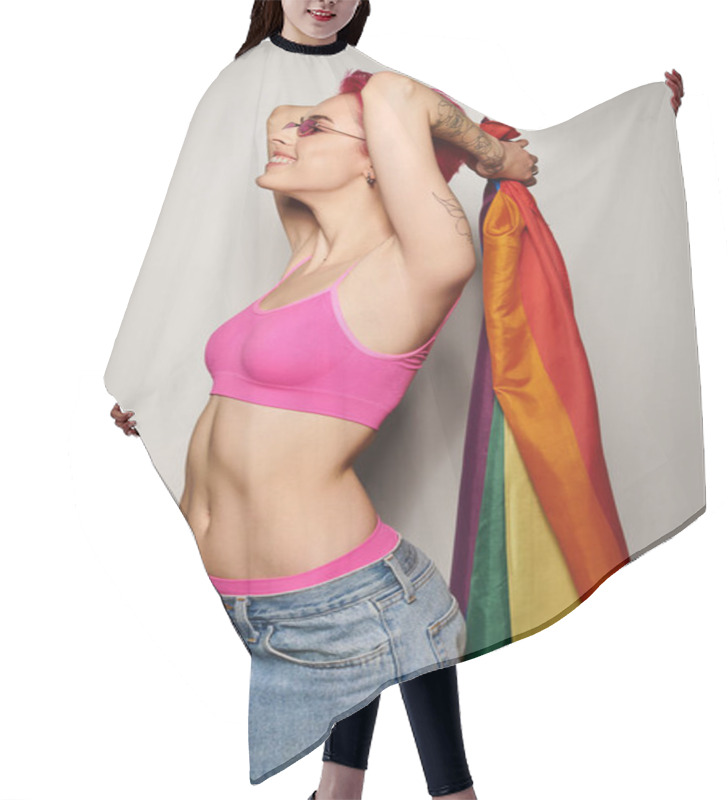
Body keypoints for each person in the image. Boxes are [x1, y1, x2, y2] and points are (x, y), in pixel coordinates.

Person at [108, 1, 697, 796]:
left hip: (342, 596)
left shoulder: (414, 267)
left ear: (381, 161)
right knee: (393, 696)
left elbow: (403, 107)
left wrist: (503, 153)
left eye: (318, 129)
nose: (289, 131)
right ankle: (345, 785)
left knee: (431, 730)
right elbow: (218, 201)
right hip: (288, 611)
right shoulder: (306, 249)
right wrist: (151, 372)